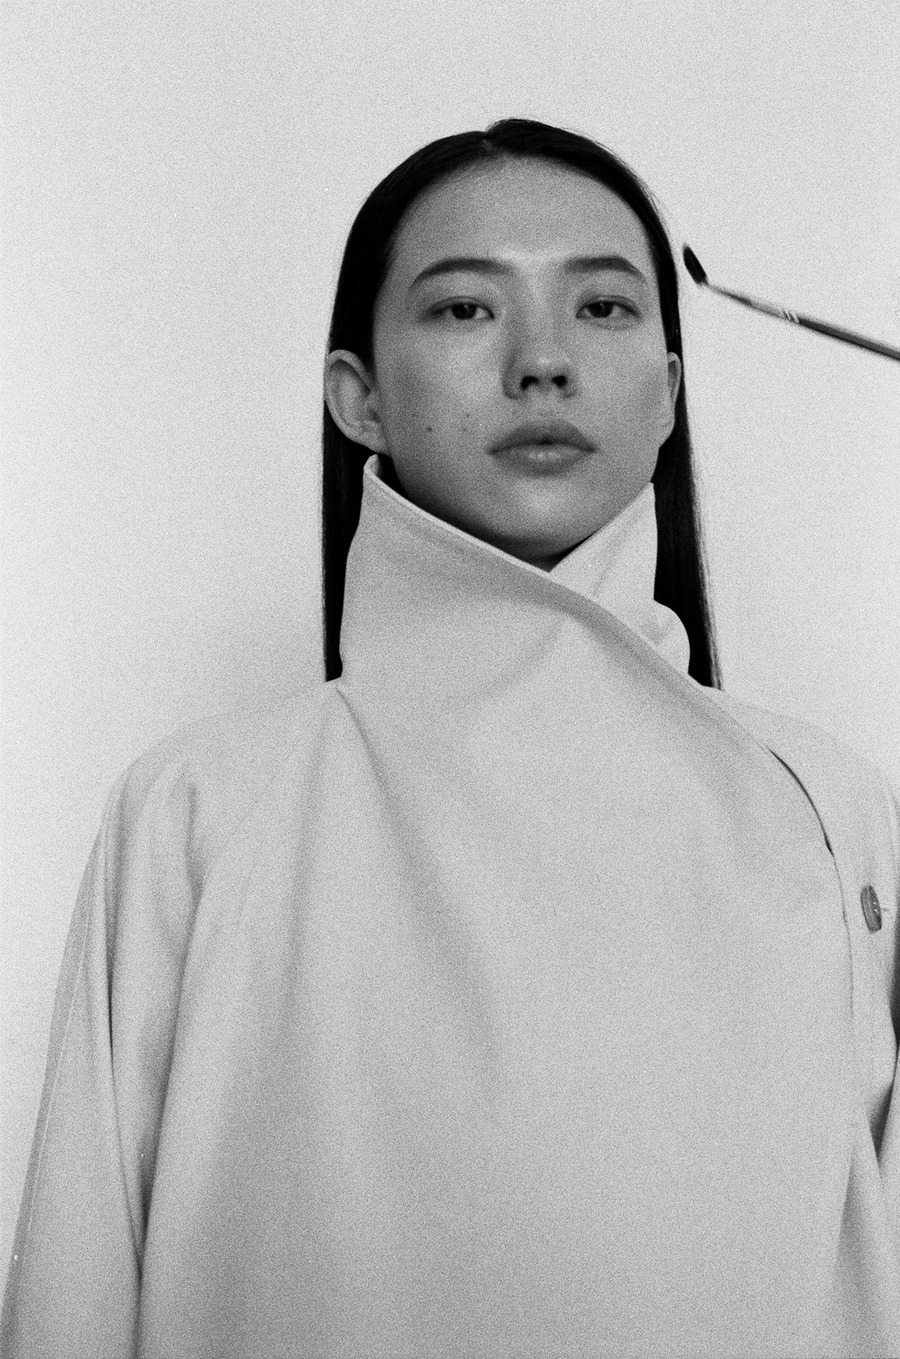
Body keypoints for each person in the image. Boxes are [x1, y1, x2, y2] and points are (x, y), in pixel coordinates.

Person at [2, 117, 899, 1358]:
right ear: (358, 397)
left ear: (670, 393)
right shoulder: (198, 810)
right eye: (467, 308)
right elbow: (73, 1293)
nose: (543, 362)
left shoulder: (834, 813)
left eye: (602, 308)